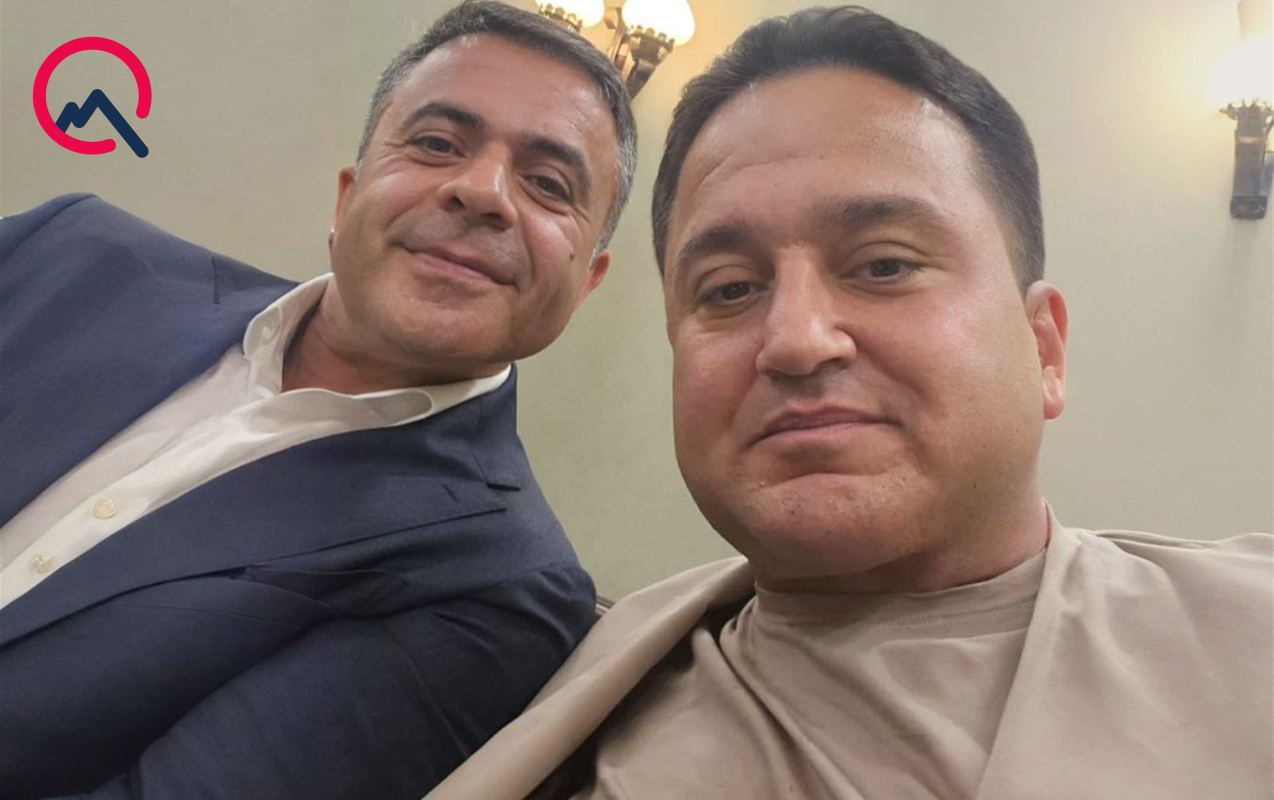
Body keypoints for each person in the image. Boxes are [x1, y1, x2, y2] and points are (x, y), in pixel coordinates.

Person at [423, 7, 1273, 799]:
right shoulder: (564, 687)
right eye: (729, 288)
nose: (795, 340)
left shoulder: (1246, 628)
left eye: (884, 266)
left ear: (1044, 349)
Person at [0, 2, 636, 798]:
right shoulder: (69, 253)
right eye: (438, 144)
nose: (481, 192)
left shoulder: (500, 587)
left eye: (547, 184)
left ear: (587, 284)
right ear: (348, 196)